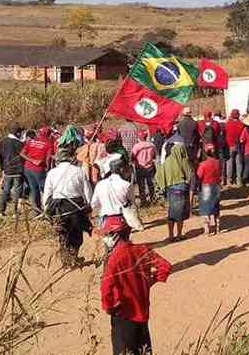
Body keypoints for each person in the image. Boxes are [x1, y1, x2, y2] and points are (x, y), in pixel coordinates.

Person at [100, 217, 172, 355]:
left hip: (123, 314)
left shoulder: (114, 259)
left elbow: (106, 287)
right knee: (144, 350)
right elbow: (165, 267)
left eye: (107, 234)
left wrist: (108, 307)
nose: (105, 238)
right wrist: (151, 281)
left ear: (115, 236)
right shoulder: (142, 250)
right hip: (143, 312)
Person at [43, 146, 94, 266]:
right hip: (76, 207)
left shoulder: (51, 173)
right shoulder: (79, 171)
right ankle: (72, 256)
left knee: (63, 234)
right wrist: (89, 206)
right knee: (77, 234)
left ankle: (67, 260)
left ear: (58, 160)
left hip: (58, 208)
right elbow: (87, 191)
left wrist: (46, 210)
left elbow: (47, 193)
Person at [91, 154, 143, 242]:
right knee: (124, 242)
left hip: (105, 220)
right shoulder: (126, 185)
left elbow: (94, 204)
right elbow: (131, 202)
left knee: (108, 245)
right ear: (121, 169)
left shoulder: (100, 184)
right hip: (122, 218)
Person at [155, 144, 192, 242]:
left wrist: (163, 186)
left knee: (171, 212)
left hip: (170, 189)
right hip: (182, 189)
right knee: (181, 213)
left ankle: (171, 235)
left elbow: (158, 175)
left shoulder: (167, 161)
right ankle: (179, 234)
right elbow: (190, 174)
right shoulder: (184, 161)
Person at [20, 127, 54, 213]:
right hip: (38, 170)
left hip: (27, 168)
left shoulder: (31, 141)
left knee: (33, 189)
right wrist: (49, 170)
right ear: (49, 134)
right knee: (46, 189)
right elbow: (48, 160)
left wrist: (31, 160)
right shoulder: (49, 143)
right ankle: (49, 209)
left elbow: (22, 153)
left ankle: (37, 210)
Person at [0, 125, 25, 218]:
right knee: (17, 191)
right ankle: (15, 212)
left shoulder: (2, 142)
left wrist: (2, 169)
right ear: (17, 133)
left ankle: (0, 211)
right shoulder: (19, 143)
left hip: (7, 170)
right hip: (18, 170)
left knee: (6, 190)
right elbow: (23, 157)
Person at [196, 143, 222, 236]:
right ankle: (217, 228)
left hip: (206, 186)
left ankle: (207, 229)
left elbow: (199, 176)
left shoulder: (203, 164)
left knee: (205, 208)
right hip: (216, 186)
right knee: (215, 206)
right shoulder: (218, 162)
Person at [131, 130, 157, 204]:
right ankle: (153, 198)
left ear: (139, 137)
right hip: (150, 166)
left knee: (141, 185)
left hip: (140, 167)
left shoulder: (137, 146)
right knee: (151, 184)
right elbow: (154, 156)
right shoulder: (151, 145)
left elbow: (132, 157)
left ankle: (143, 201)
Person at [224, 109, 245, 186]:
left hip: (229, 145)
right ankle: (239, 181)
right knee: (239, 164)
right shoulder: (242, 124)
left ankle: (229, 181)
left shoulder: (227, 124)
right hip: (238, 146)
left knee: (229, 163)